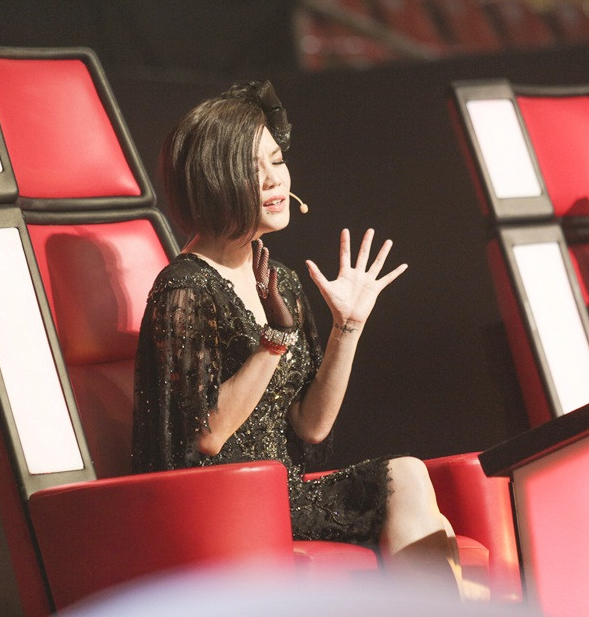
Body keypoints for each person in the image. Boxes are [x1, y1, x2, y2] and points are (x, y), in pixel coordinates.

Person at [132, 81, 468, 597]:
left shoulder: (279, 279)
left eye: (276, 161)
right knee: (427, 526)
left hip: (282, 495)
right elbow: (206, 435)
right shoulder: (184, 288)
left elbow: (311, 425)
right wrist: (274, 341)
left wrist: (347, 327)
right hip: (223, 502)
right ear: (216, 181)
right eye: (253, 169)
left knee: (409, 477)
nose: (275, 179)